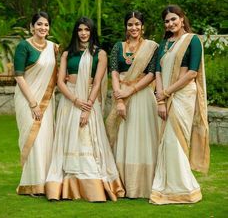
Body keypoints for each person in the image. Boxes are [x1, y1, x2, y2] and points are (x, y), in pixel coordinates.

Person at [45, 17, 125, 202]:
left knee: (87, 138)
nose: (83, 33)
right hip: (70, 100)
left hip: (89, 100)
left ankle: (93, 186)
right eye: (80, 29)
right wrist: (75, 100)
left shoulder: (100, 54)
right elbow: (59, 81)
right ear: (76, 32)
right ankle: (68, 186)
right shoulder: (67, 54)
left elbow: (97, 82)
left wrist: (87, 106)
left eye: (87, 30)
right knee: (69, 139)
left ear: (91, 32)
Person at [150, 4, 210, 204]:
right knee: (166, 142)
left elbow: (192, 72)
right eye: (167, 21)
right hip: (165, 97)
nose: (170, 23)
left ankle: (184, 188)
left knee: (175, 140)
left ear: (182, 18)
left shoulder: (193, 40)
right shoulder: (164, 44)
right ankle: (167, 187)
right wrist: (160, 98)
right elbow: (158, 72)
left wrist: (167, 92)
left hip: (183, 96)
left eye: (174, 19)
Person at [106, 11, 159, 198]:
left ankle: (143, 186)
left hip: (143, 97)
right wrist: (120, 99)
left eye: (137, 24)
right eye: (130, 24)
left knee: (142, 138)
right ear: (125, 27)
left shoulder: (151, 47)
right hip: (121, 95)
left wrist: (131, 90)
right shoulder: (117, 47)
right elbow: (113, 73)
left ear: (142, 26)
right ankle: (122, 184)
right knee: (122, 137)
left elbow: (152, 74)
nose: (134, 28)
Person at [14, 11, 58, 195]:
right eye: (39, 24)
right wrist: (33, 103)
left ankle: (44, 182)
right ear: (32, 27)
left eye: (46, 25)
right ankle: (31, 183)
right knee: (32, 138)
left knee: (46, 138)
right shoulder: (23, 46)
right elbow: (19, 76)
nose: (43, 28)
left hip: (47, 100)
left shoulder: (54, 48)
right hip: (27, 99)